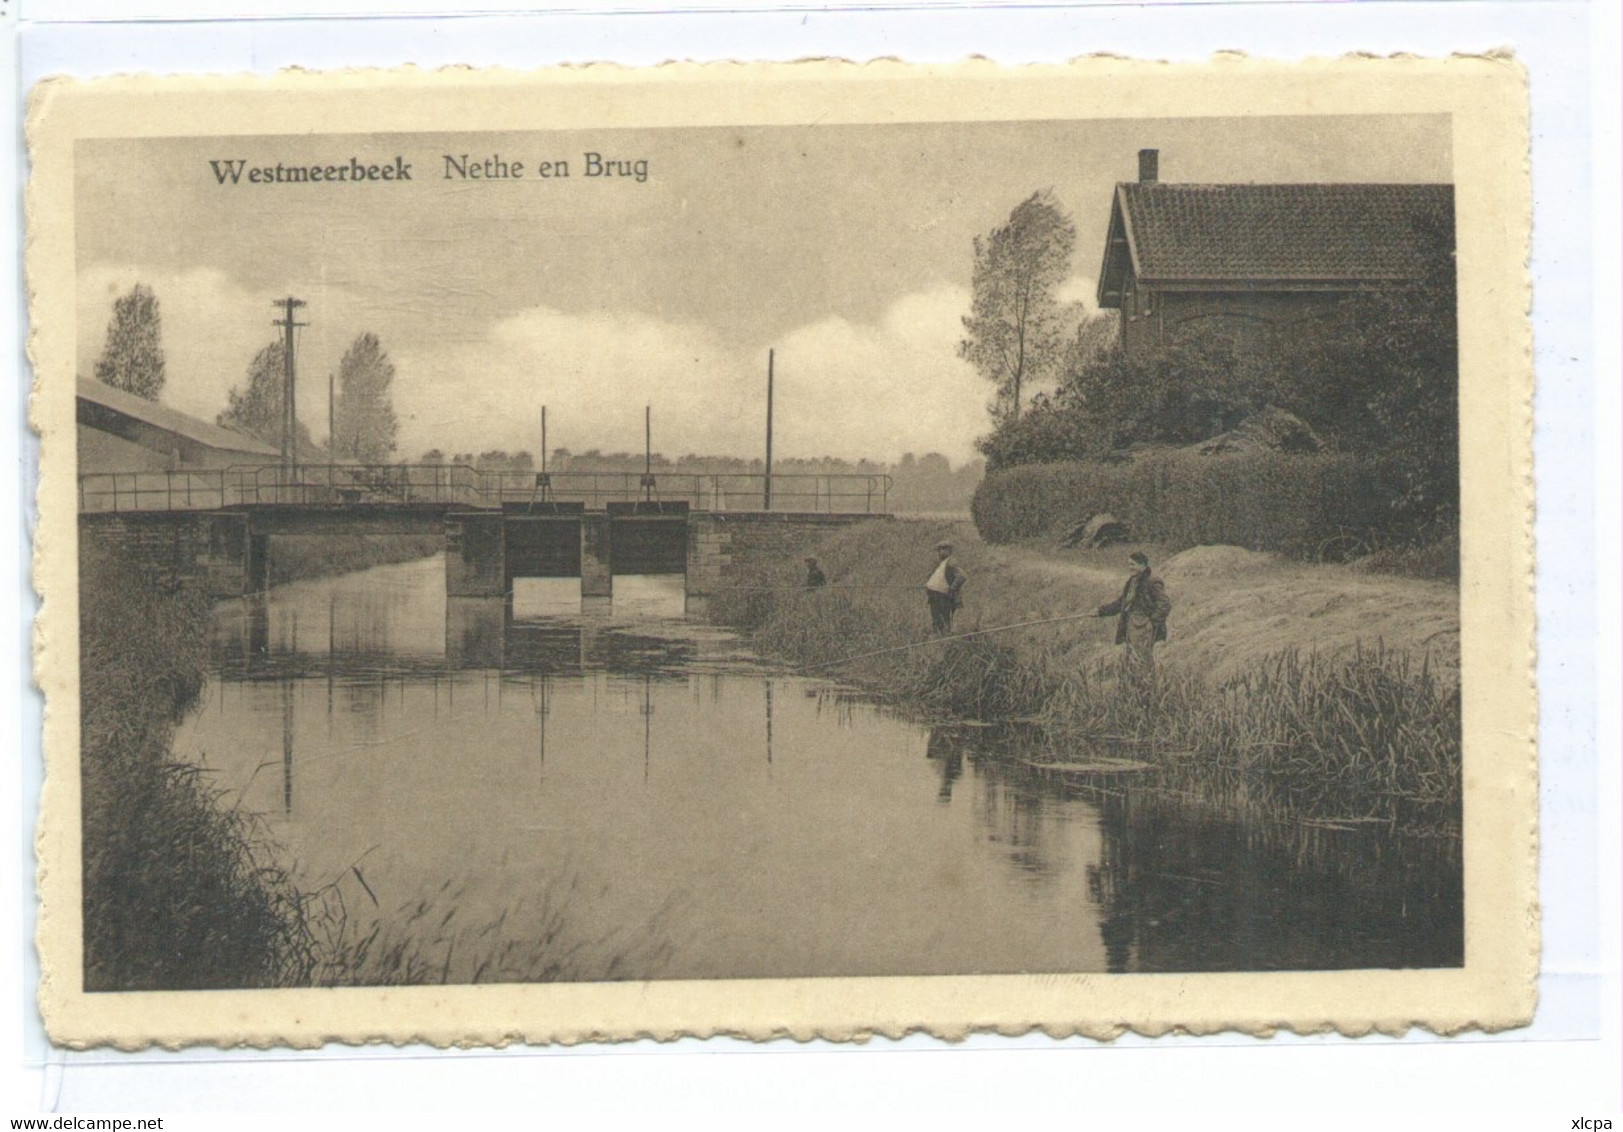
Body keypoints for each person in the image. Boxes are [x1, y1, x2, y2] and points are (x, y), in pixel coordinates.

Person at [1097, 551, 1172, 679]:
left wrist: (1151, 622)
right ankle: (1135, 689)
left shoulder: (1152, 581)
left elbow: (1165, 604)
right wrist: (1101, 611)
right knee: (1132, 659)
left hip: (1143, 627)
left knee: (1143, 661)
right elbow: (1122, 603)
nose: (1130, 567)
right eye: (1129, 564)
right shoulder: (1133, 581)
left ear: (1143, 565)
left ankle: (1147, 690)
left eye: (1133, 564)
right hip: (1131, 626)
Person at [924, 540, 967, 634]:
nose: (940, 552)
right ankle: (939, 640)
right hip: (935, 596)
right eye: (939, 550)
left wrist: (951, 589)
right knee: (936, 621)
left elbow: (961, 577)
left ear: (949, 550)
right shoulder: (941, 563)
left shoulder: (951, 562)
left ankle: (945, 640)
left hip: (944, 597)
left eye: (943, 549)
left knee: (944, 621)